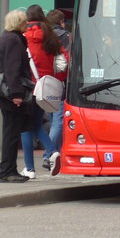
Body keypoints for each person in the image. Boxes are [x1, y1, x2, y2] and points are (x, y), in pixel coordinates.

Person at [0, 9, 33, 183]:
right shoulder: (13, 40)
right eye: (24, 22)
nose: (27, 24)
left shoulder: (7, 38)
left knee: (10, 132)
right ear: (18, 23)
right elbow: (12, 70)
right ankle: (7, 171)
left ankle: (7, 170)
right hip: (10, 95)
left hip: (6, 94)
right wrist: (17, 94)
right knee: (11, 134)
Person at [21, 5, 63, 178]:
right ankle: (49, 153)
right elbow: (62, 63)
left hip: (30, 86)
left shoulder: (24, 38)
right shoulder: (51, 37)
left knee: (26, 127)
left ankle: (32, 167)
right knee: (35, 124)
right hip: (46, 86)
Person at [45, 9, 71, 151]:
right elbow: (66, 60)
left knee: (50, 118)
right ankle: (50, 154)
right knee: (58, 120)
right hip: (59, 82)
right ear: (61, 22)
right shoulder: (65, 36)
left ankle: (52, 152)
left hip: (44, 82)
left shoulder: (43, 35)